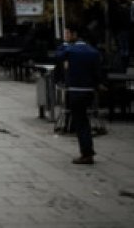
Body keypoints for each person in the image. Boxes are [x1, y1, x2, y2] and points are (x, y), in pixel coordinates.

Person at [56, 26, 102, 165]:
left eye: (67, 33)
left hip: (75, 90)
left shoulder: (70, 50)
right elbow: (97, 73)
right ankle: (88, 150)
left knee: (80, 122)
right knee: (84, 120)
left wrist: (64, 44)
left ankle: (86, 153)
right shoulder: (93, 51)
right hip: (88, 90)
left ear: (74, 35)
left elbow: (58, 56)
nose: (65, 36)